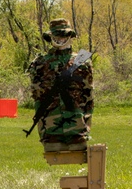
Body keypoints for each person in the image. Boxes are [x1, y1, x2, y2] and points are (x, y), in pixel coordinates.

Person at [25, 18, 93, 151]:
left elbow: (89, 96)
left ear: (70, 36)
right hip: (51, 130)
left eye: (63, 35)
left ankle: (77, 134)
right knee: (53, 148)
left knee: (78, 147)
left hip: (77, 128)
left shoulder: (82, 61)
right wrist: (43, 130)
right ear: (50, 36)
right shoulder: (40, 63)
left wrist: (85, 127)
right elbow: (37, 98)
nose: (60, 39)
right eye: (56, 35)